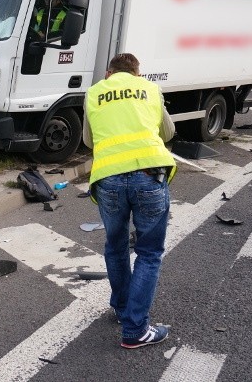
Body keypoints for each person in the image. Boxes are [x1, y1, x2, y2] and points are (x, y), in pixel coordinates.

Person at [82, 53, 176, 349]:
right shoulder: (149, 89)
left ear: (109, 73)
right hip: (148, 175)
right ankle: (136, 330)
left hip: (108, 178)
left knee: (116, 246)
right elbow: (168, 132)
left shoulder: (94, 92)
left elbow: (88, 140)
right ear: (137, 73)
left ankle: (124, 311)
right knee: (148, 253)